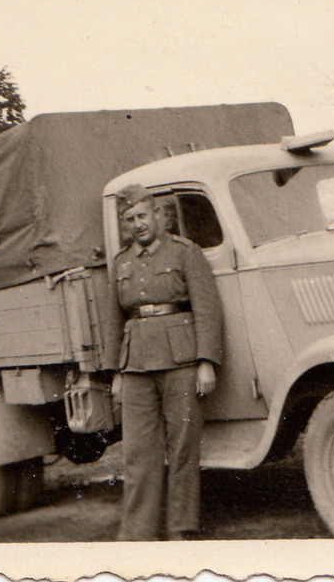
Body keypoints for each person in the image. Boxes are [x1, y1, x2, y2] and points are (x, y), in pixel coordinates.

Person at [101, 183, 223, 541]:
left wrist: (206, 362)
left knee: (183, 448)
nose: (137, 224)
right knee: (138, 453)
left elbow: (207, 309)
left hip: (181, 362)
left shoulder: (185, 253)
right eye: (129, 219)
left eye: (142, 215)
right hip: (136, 366)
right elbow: (114, 319)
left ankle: (181, 527)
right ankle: (138, 532)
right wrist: (116, 373)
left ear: (158, 215)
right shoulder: (122, 262)